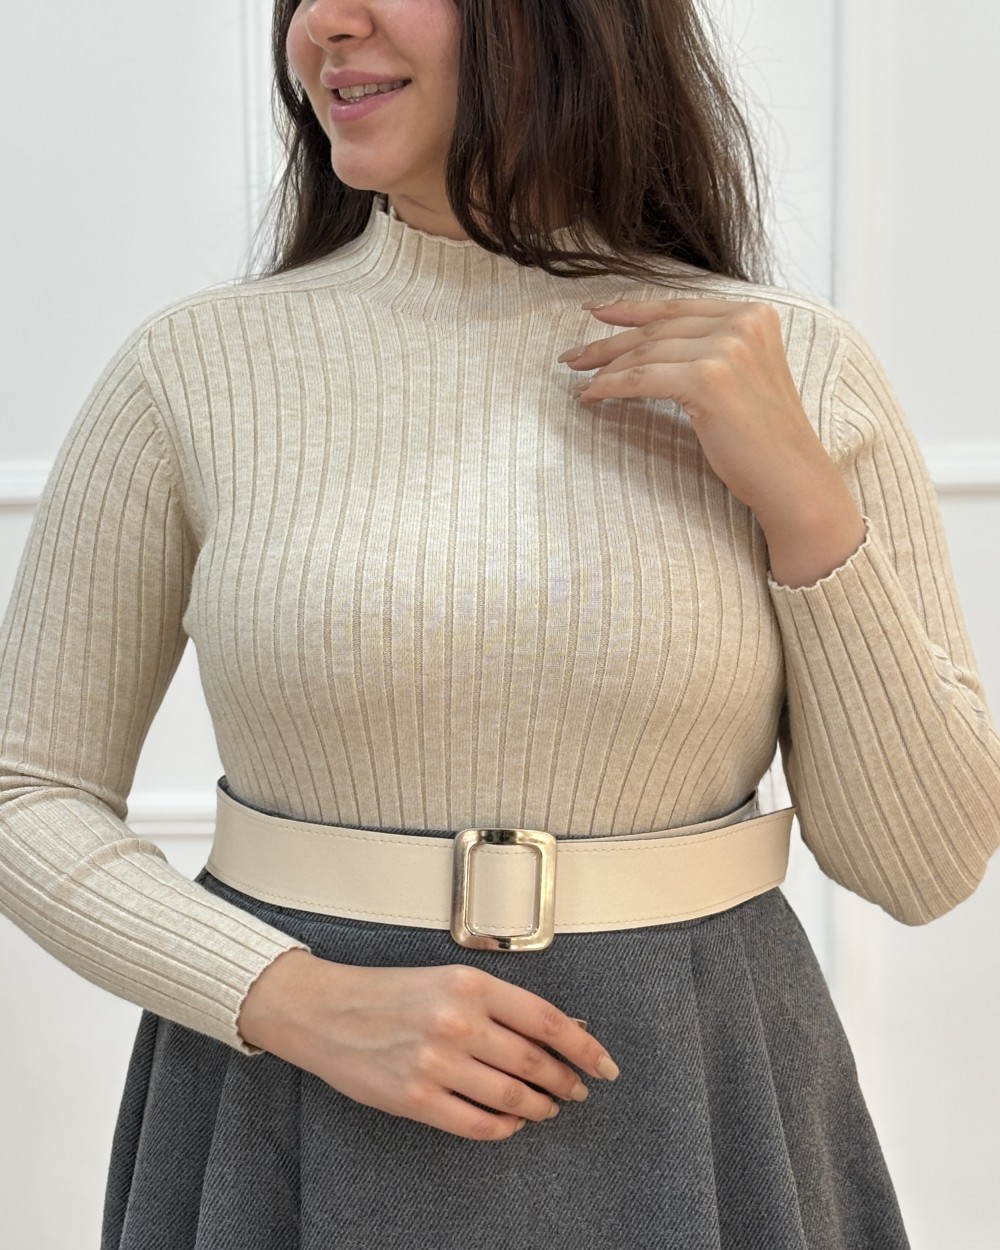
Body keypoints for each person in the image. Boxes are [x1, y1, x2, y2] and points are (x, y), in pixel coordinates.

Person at [1, 0, 998, 1246]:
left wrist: (801, 497)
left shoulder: (793, 365)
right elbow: (24, 785)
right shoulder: (191, 371)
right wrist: (286, 995)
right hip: (292, 1097)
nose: (325, 23)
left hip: (702, 1094)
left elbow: (919, 865)